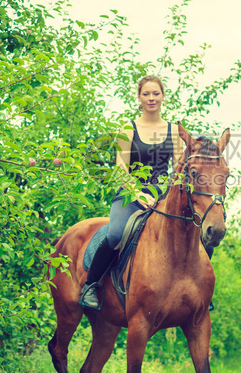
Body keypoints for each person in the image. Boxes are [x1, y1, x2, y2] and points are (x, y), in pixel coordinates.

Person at [79, 75, 184, 310]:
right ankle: (91, 285)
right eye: (146, 94)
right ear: (139, 98)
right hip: (130, 193)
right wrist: (139, 194)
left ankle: (196, 291)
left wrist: (165, 193)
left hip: (161, 195)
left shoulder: (174, 131)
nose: (151, 98)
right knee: (116, 234)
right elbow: (120, 169)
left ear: (163, 96)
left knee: (192, 231)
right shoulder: (128, 128)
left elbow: (178, 171)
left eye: (156, 93)